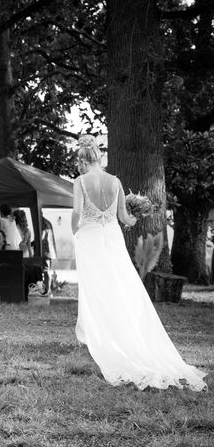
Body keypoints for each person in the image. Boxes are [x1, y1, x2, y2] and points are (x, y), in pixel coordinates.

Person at [72, 135, 207, 391]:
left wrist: (75, 232)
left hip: (90, 239)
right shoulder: (115, 181)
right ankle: (129, 333)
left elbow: (78, 214)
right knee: (122, 286)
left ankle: (106, 336)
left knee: (97, 289)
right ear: (99, 157)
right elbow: (124, 217)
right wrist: (135, 217)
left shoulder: (80, 182)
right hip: (112, 239)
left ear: (82, 160)